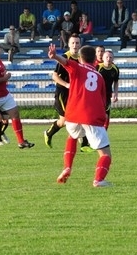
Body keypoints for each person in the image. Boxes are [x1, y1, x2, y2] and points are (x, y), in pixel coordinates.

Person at [47, 43, 113, 187]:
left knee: (72, 136)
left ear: (80, 58)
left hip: (72, 116)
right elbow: (102, 101)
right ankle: (98, 180)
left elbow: (65, 62)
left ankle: (67, 167)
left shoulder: (77, 67)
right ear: (95, 59)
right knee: (105, 154)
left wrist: (55, 56)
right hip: (91, 117)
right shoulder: (99, 77)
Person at [42, 34, 91, 152]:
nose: (75, 45)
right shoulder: (65, 57)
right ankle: (48, 133)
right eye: (72, 43)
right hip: (63, 93)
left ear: (80, 44)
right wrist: (67, 85)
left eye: (77, 43)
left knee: (81, 116)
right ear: (68, 44)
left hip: (76, 94)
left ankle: (84, 144)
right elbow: (54, 76)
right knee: (65, 121)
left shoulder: (81, 58)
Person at [97, 49, 119, 129]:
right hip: (97, 95)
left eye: (110, 57)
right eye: (107, 57)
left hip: (107, 95)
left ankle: (104, 132)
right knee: (96, 114)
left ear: (113, 59)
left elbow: (116, 82)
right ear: (103, 58)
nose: (108, 59)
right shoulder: (98, 67)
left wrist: (115, 93)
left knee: (106, 115)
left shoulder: (115, 69)